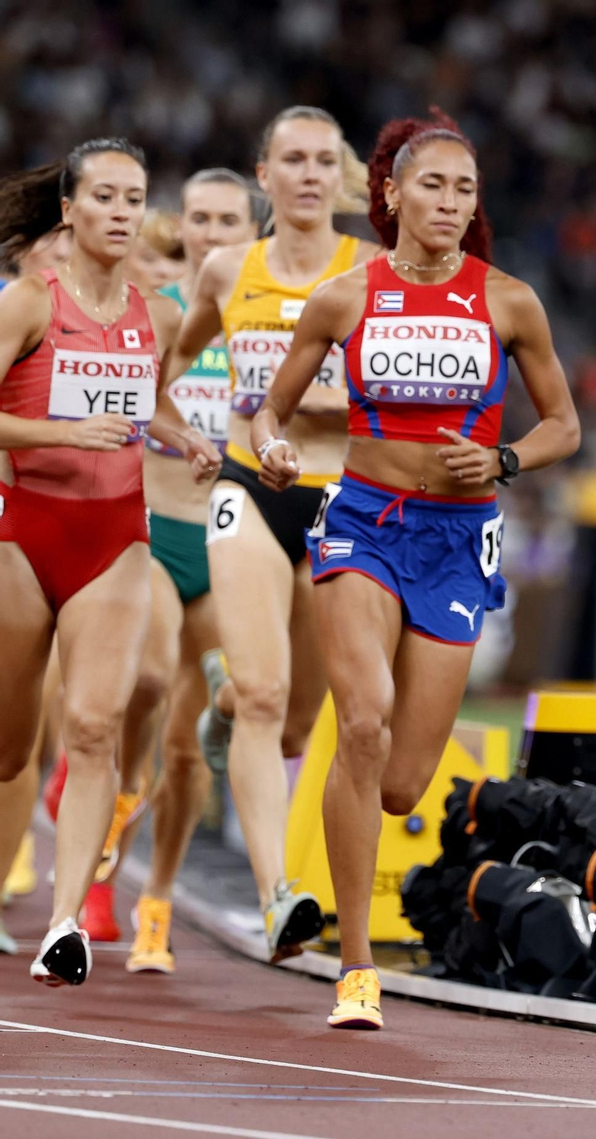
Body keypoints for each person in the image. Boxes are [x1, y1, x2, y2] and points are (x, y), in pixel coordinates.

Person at [253, 111, 579, 1029]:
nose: (449, 202)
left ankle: (355, 846)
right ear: (390, 193)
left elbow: (564, 425)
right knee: (360, 723)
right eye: (431, 184)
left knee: (399, 780)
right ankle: (356, 964)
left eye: (464, 189)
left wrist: (507, 460)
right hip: (362, 521)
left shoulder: (507, 300)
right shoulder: (344, 297)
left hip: (458, 535)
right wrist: (273, 450)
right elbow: (269, 414)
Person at [158, 106, 377, 962]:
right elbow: (164, 373)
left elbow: (409, 399)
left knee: (292, 726)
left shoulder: (371, 270)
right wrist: (188, 435)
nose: (311, 174)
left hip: (345, 498)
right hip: (250, 487)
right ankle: (274, 893)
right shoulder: (226, 270)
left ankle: (219, 710)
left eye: (327, 160)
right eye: (294, 159)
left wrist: (324, 404)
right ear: (266, 174)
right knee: (262, 694)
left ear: (343, 177)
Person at [0, 138, 212, 985]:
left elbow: (144, 400)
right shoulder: (26, 303)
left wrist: (182, 433)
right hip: (25, 534)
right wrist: (59, 432)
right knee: (11, 750)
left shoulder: (157, 313)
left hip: (118, 536)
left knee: (93, 725)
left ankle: (63, 923)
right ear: (69, 210)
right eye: (107, 198)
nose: (124, 214)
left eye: (136, 199)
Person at [113, 171, 258, 970]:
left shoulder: (270, 315)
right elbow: (124, 402)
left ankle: (156, 902)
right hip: (155, 526)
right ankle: (116, 787)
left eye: (228, 220)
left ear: (252, 227)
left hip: (232, 540)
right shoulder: (153, 309)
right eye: (199, 219)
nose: (210, 233)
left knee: (187, 748)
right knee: (142, 678)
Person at [0, 225, 74, 955]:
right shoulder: (15, 309)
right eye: (57, 243)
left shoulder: (96, 319)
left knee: (13, 735)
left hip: (32, 531)